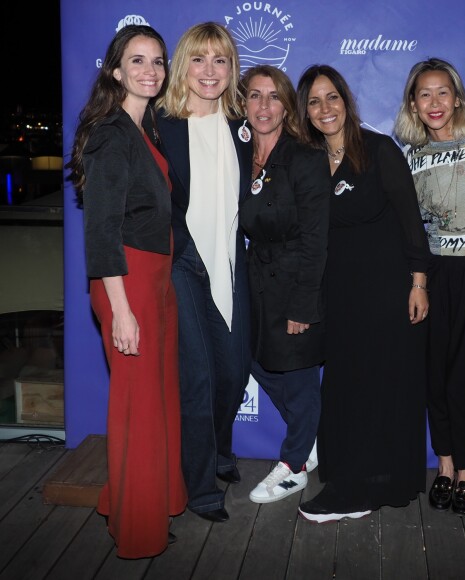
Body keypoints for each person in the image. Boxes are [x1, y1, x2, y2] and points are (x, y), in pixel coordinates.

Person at [66, 25, 187, 558]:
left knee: (156, 403)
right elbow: (101, 231)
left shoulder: (146, 129)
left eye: (158, 61)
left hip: (155, 281)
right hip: (127, 283)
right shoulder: (112, 133)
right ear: (115, 70)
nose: (150, 71)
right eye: (137, 61)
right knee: (138, 408)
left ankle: (137, 502)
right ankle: (138, 533)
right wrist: (121, 309)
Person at [295, 65, 430, 523]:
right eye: (314, 101)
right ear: (306, 112)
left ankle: (367, 486)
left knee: (383, 386)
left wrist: (418, 283)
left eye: (332, 97)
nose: (325, 108)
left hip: (387, 292)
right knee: (347, 387)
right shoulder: (309, 160)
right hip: (340, 296)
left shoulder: (377, 149)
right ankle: (351, 478)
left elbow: (412, 221)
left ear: (346, 102)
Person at [152, 22, 252, 523]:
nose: (209, 71)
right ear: (182, 65)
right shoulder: (159, 123)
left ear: (231, 68)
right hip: (182, 263)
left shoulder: (244, 124)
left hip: (230, 260)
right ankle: (200, 487)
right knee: (196, 378)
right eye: (198, 59)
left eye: (220, 60)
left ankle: (218, 449)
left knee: (233, 373)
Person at [393, 58, 465, 516]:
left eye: (443, 92)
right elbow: (405, 229)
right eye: (424, 94)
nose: (434, 103)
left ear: (457, 97)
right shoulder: (410, 158)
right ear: (413, 105)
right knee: (435, 375)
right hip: (432, 275)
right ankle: (444, 464)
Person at [237, 65, 330, 504]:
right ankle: (309, 438)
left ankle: (293, 466)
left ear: (287, 104)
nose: (263, 105)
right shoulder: (237, 155)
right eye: (255, 96)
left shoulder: (306, 158)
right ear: (243, 103)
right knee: (251, 359)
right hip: (251, 281)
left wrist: (303, 306)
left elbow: (316, 241)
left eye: (274, 96)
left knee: (298, 376)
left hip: (295, 280)